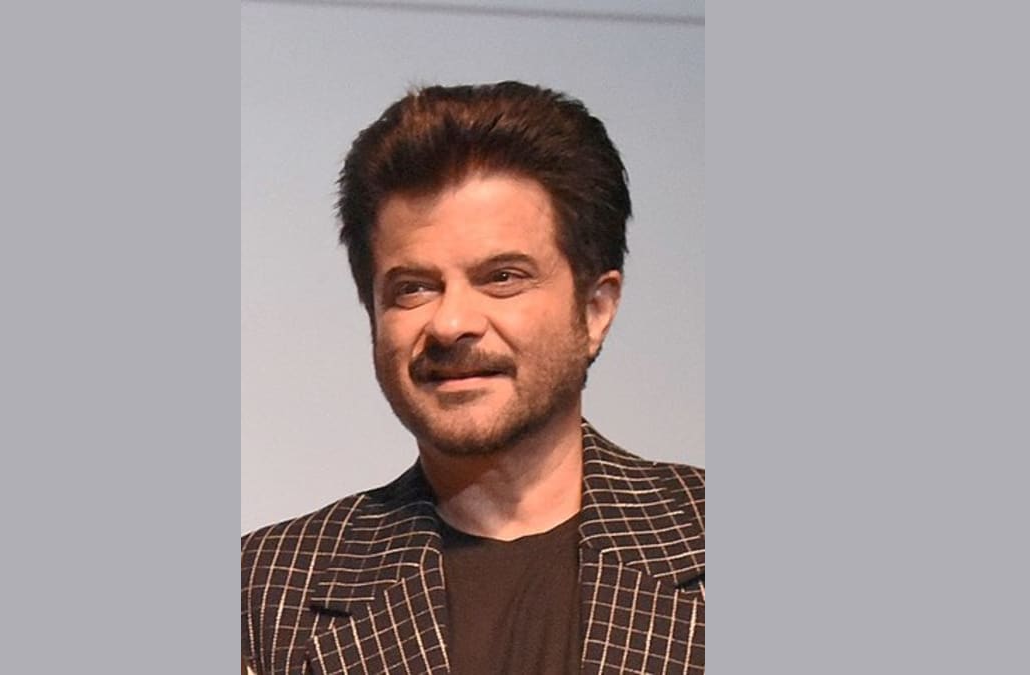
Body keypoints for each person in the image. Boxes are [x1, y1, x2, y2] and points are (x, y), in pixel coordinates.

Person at [242, 81, 704, 675]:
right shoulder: (261, 596)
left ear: (595, 310)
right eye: (413, 288)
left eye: (502, 277)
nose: (451, 323)